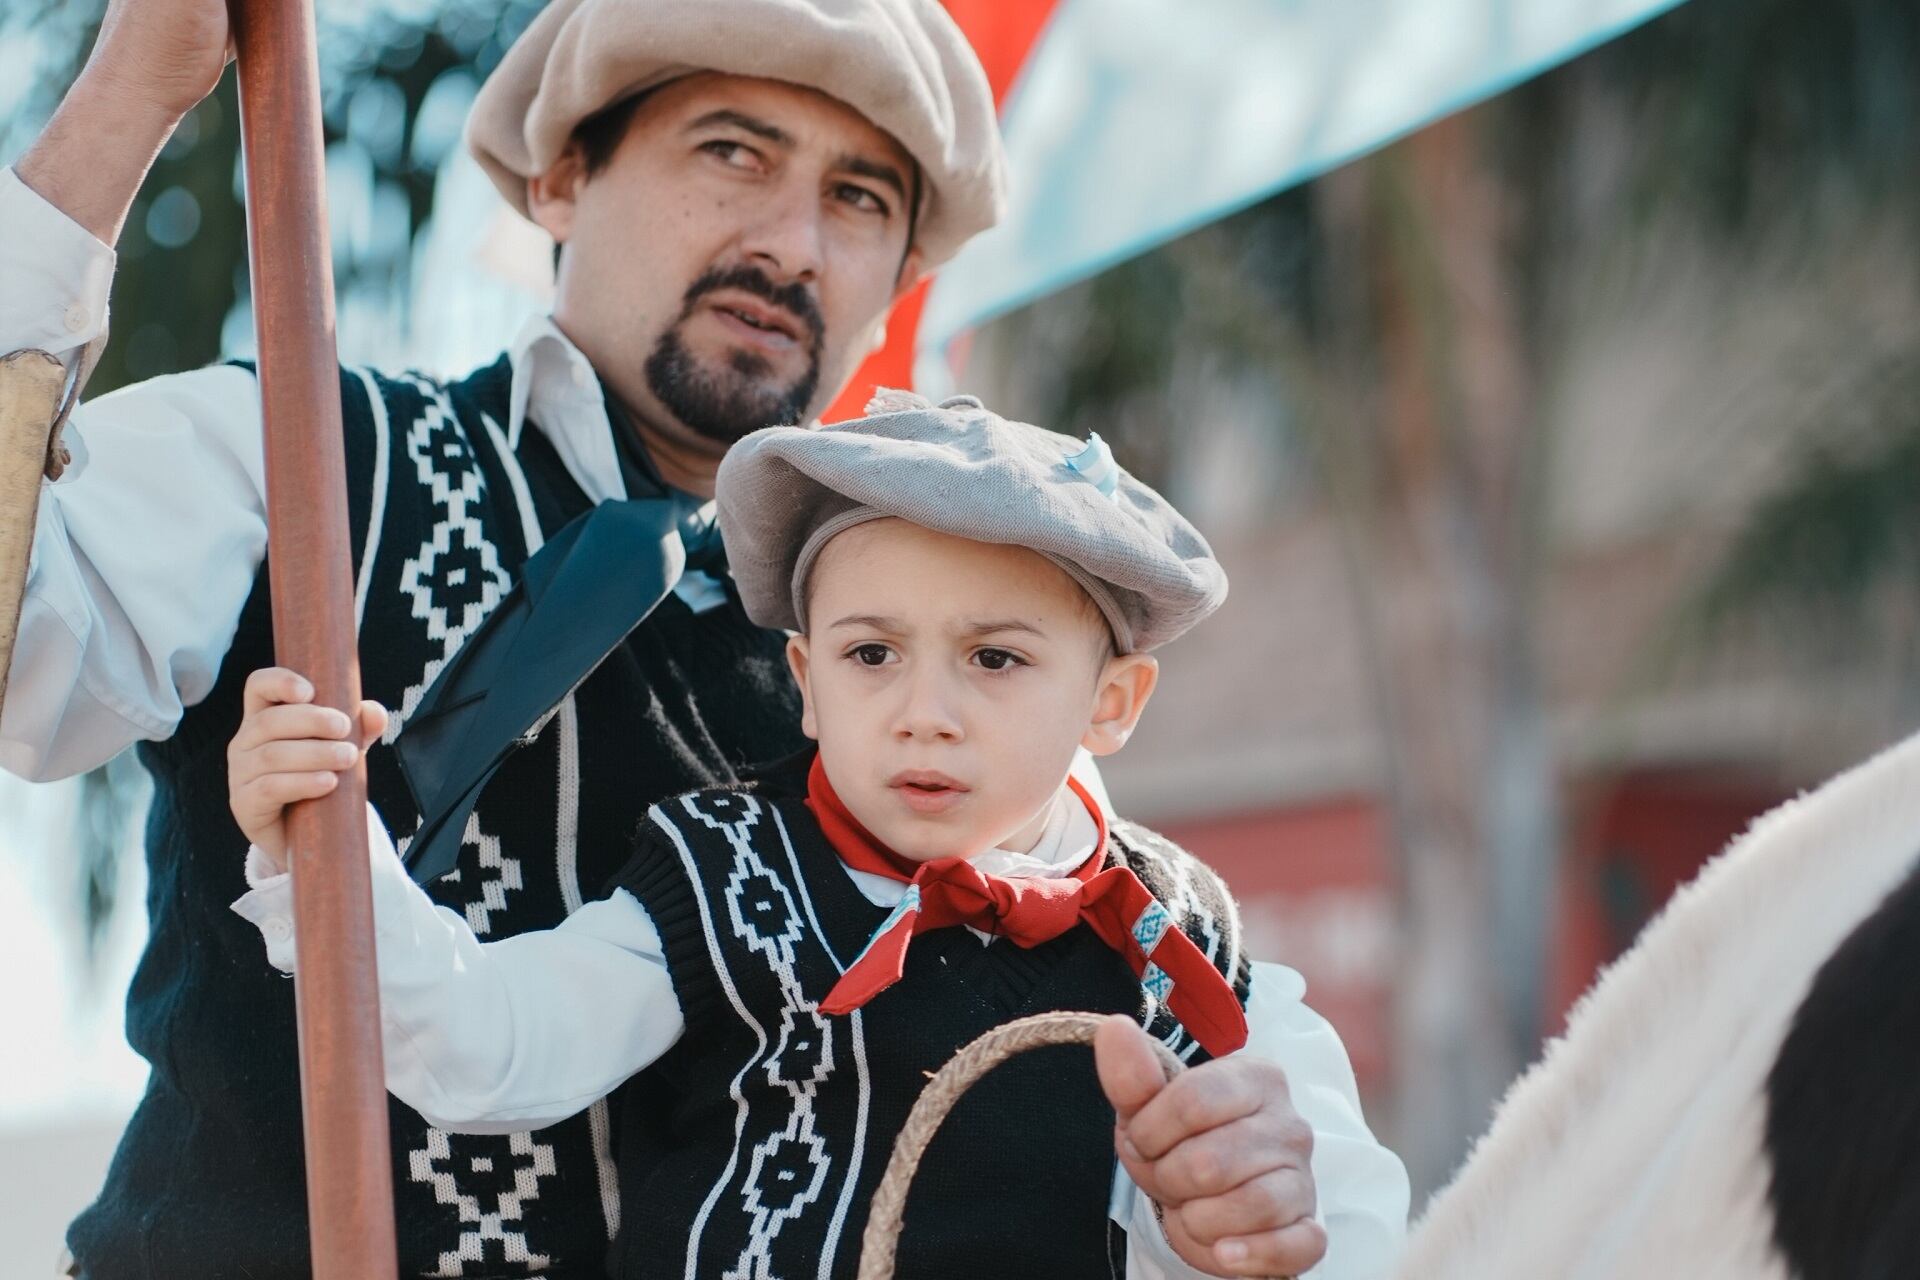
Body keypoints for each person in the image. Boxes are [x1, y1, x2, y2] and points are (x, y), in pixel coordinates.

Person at [2, 0, 1018, 1273]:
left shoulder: (910, 666)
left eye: (862, 199)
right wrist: (129, 99)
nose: (795, 243)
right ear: (561, 177)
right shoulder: (306, 463)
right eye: (734, 153)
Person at [226, 393, 1411, 1279]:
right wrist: (326, 853)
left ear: (1112, 702)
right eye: (870, 653)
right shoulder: (729, 867)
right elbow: (492, 1043)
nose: (923, 709)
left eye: (995, 657)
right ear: (803, 679)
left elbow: (1341, 1214)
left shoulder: (1176, 935)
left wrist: (1234, 1216)